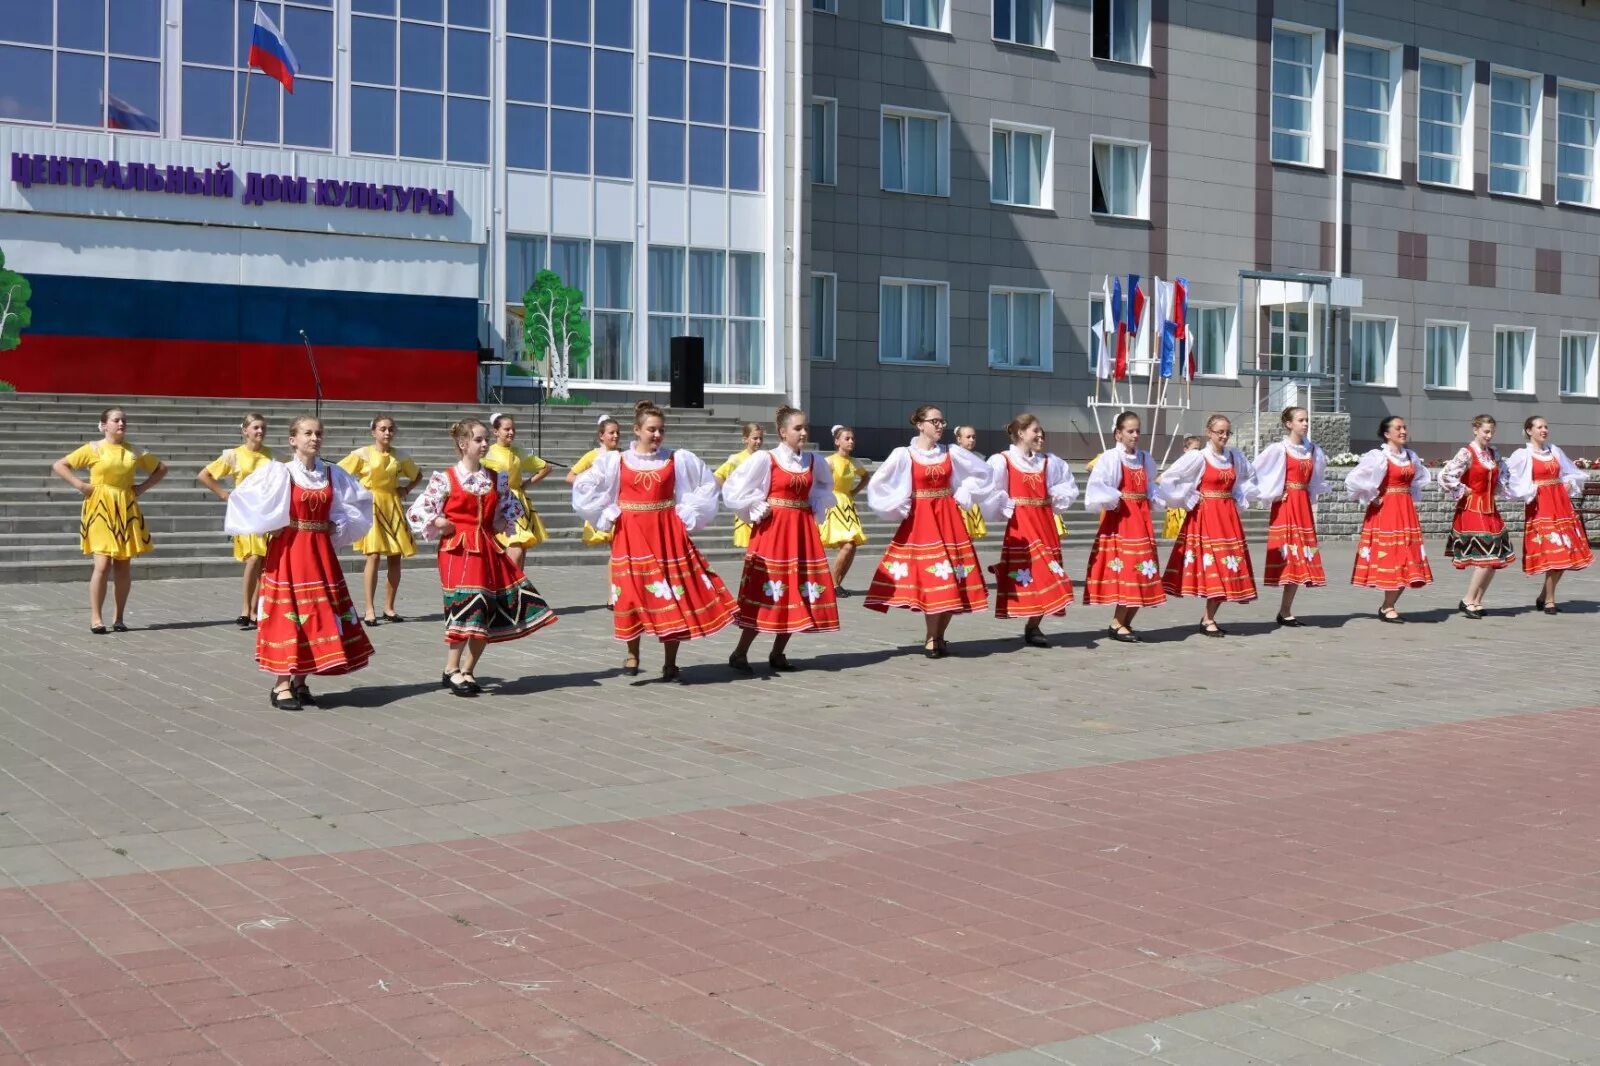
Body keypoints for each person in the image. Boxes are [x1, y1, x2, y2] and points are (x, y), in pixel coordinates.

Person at [572, 400, 737, 681]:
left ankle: (670, 662)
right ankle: (633, 653)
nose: (657, 435)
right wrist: (608, 511)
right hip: (630, 533)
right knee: (632, 594)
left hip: (666, 533)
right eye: (651, 430)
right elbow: (584, 486)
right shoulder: (617, 460)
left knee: (672, 592)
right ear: (637, 430)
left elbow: (707, 483)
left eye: (661, 430)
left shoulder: (676, 459)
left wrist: (687, 512)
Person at [224, 416, 374, 710]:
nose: (314, 438)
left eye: (318, 433)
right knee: (288, 615)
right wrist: (271, 521)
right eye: (307, 433)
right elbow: (245, 500)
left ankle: (301, 681)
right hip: (289, 552)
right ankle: (281, 684)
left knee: (316, 614)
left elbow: (358, 505)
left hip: (319, 554)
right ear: (293, 440)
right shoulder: (280, 473)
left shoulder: (332, 474)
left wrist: (336, 525)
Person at [406, 419, 558, 697]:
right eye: (478, 439)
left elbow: (511, 510)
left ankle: (468, 670)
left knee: (487, 607)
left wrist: (500, 522)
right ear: (463, 444)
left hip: (487, 547)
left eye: (486, 439)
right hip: (457, 549)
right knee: (466, 605)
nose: (485, 444)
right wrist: (439, 522)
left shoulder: (494, 477)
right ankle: (452, 669)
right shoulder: (447, 478)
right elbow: (419, 510)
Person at [863, 405, 994, 659]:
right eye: (934, 421)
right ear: (919, 424)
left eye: (942, 422)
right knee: (936, 580)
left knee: (954, 580)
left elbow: (984, 472)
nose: (939, 426)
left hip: (948, 518)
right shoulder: (904, 454)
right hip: (921, 521)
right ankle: (933, 637)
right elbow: (879, 483)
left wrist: (965, 490)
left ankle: (937, 636)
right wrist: (897, 502)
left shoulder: (951, 452)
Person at [722, 406, 840, 672]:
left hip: (801, 530)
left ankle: (778, 652)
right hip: (773, 531)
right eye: (797, 428)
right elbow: (735, 488)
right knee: (767, 590)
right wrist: (755, 505)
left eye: (804, 427)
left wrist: (816, 505)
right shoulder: (767, 459)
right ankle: (740, 652)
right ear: (782, 431)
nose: (803, 432)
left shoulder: (813, 461)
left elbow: (824, 487)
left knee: (797, 589)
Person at [52, 406, 169, 634]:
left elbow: (161, 468)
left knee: (123, 565)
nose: (121, 424)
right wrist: (82, 486)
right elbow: (60, 465)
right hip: (100, 507)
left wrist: (142, 488)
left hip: (125, 506)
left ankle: (119, 617)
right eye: (116, 420)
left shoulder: (133, 451)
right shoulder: (93, 448)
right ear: (104, 425)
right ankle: (96, 617)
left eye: (124, 420)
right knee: (103, 563)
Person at [980, 413, 1078, 646]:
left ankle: (1034, 626)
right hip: (1021, 527)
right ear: (1021, 433)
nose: (1040, 435)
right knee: (1032, 575)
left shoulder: (1049, 462)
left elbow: (1067, 485)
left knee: (1050, 575)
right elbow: (990, 489)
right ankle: (1031, 622)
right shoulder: (1002, 460)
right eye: (1035, 430)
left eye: (1041, 431)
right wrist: (1006, 504)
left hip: (1044, 524)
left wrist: (1056, 494)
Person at [1157, 414, 1257, 636]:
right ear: (1208, 432)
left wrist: (1239, 496)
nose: (1224, 436)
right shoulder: (1198, 457)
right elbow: (1168, 478)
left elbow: (1249, 478)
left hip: (1227, 517)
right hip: (1206, 517)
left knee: (1227, 566)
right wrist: (1187, 497)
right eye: (1219, 431)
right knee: (1214, 566)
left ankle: (1208, 617)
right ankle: (1208, 619)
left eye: (1227, 432)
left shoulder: (1234, 457)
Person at [1082, 411, 1164, 642]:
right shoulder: (1111, 458)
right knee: (1129, 570)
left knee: (1144, 570)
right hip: (1122, 521)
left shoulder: (1145, 458)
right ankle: (1118, 622)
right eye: (1130, 431)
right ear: (1118, 434)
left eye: (1138, 431)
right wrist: (1114, 498)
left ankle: (1126, 622)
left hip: (1141, 519)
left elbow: (1149, 485)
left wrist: (1154, 496)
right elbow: (1098, 486)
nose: (1135, 435)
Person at [1245, 406, 1329, 627]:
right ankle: (1284, 610)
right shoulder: (1278, 449)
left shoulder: (1313, 451)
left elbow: (1316, 480)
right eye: (1301, 420)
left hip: (1302, 505)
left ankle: (1285, 610)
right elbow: (1254, 470)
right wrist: (1271, 492)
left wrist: (1309, 494)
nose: (1305, 424)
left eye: (1307, 420)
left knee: (1300, 557)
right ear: (1288, 424)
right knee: (1288, 557)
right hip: (1285, 506)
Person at [1346, 416, 1433, 622]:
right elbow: (1354, 479)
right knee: (1392, 555)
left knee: (1407, 556)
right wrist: (1371, 495)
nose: (1403, 431)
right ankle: (1388, 606)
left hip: (1405, 510)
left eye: (1404, 427)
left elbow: (1419, 479)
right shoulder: (1378, 457)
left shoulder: (1410, 455)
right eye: (1398, 428)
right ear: (1387, 434)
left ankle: (1388, 605)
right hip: (1386, 511)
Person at [338, 415, 420, 625]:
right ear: (373, 432)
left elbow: (417, 475)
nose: (387, 433)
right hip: (370, 505)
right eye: (382, 429)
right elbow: (339, 472)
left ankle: (389, 607)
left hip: (392, 505)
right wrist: (355, 493)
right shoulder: (362, 454)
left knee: (395, 556)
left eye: (390, 429)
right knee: (373, 555)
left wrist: (406, 489)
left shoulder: (399, 456)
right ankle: (369, 608)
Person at [1506, 415, 1593, 613]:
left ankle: (1544, 596)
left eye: (1546, 427)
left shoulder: (1554, 450)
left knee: (1565, 552)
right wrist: (1527, 488)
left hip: (1560, 504)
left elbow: (1570, 471)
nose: (1544, 430)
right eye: (1539, 427)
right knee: (1554, 552)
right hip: (1540, 507)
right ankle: (1550, 601)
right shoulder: (1522, 454)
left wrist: (1569, 481)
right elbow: (1507, 476)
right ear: (1529, 431)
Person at [198, 412, 275, 629]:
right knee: (253, 559)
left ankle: (256, 609)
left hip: (265, 512)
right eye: (256, 427)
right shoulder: (234, 455)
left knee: (264, 563)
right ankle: (245, 608)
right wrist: (224, 494)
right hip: (245, 513)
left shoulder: (272, 456)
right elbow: (204, 475)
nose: (260, 431)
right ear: (245, 431)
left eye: (263, 428)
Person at [1437, 414, 1514, 618]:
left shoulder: (1493, 453)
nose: (1489, 436)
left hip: (1490, 509)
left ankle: (1477, 600)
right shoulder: (1467, 452)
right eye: (1486, 431)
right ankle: (1467, 600)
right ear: (1475, 430)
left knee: (1495, 558)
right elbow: (1446, 475)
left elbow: (1505, 472)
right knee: (1485, 558)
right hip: (1472, 508)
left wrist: (1500, 486)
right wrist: (1463, 489)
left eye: (1491, 432)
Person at [482, 413, 551, 572]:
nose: (511, 432)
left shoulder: (519, 451)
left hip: (516, 503)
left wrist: (525, 485)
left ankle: (515, 587)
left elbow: (545, 467)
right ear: (496, 432)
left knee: (520, 546)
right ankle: (508, 585)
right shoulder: (488, 452)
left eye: (513, 429)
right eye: (507, 429)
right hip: (497, 502)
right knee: (511, 547)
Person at [819, 424, 870, 594]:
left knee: (852, 545)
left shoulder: (855, 462)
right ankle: (832, 584)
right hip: (832, 503)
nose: (851, 441)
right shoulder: (830, 461)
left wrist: (854, 491)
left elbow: (865, 477)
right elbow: (818, 481)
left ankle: (837, 583)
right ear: (837, 441)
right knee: (847, 545)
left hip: (847, 503)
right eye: (847, 438)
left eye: (852, 438)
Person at [566, 414, 622, 547]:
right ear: (601, 436)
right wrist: (592, 489)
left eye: (618, 432)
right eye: (612, 433)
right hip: (604, 506)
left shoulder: (622, 455)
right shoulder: (593, 455)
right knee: (615, 546)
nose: (616, 436)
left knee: (619, 547)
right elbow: (570, 477)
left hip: (620, 504)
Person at [714, 422, 765, 549]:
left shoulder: (765, 457)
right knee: (749, 549)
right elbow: (718, 476)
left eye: (761, 438)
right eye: (755, 438)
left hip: (762, 508)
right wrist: (731, 493)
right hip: (744, 509)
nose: (758, 441)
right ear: (745, 440)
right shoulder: (736, 459)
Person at [1162, 436, 1204, 540]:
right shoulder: (1182, 463)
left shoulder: (1199, 461)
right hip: (1180, 500)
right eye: (1194, 449)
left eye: (1199, 449)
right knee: (1177, 535)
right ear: (1185, 449)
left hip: (1193, 501)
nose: (1197, 452)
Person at [953, 425, 989, 544]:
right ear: (959, 439)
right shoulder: (952, 455)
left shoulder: (978, 457)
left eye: (974, 437)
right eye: (968, 437)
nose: (972, 440)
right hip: (956, 500)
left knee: (969, 537)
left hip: (972, 501)